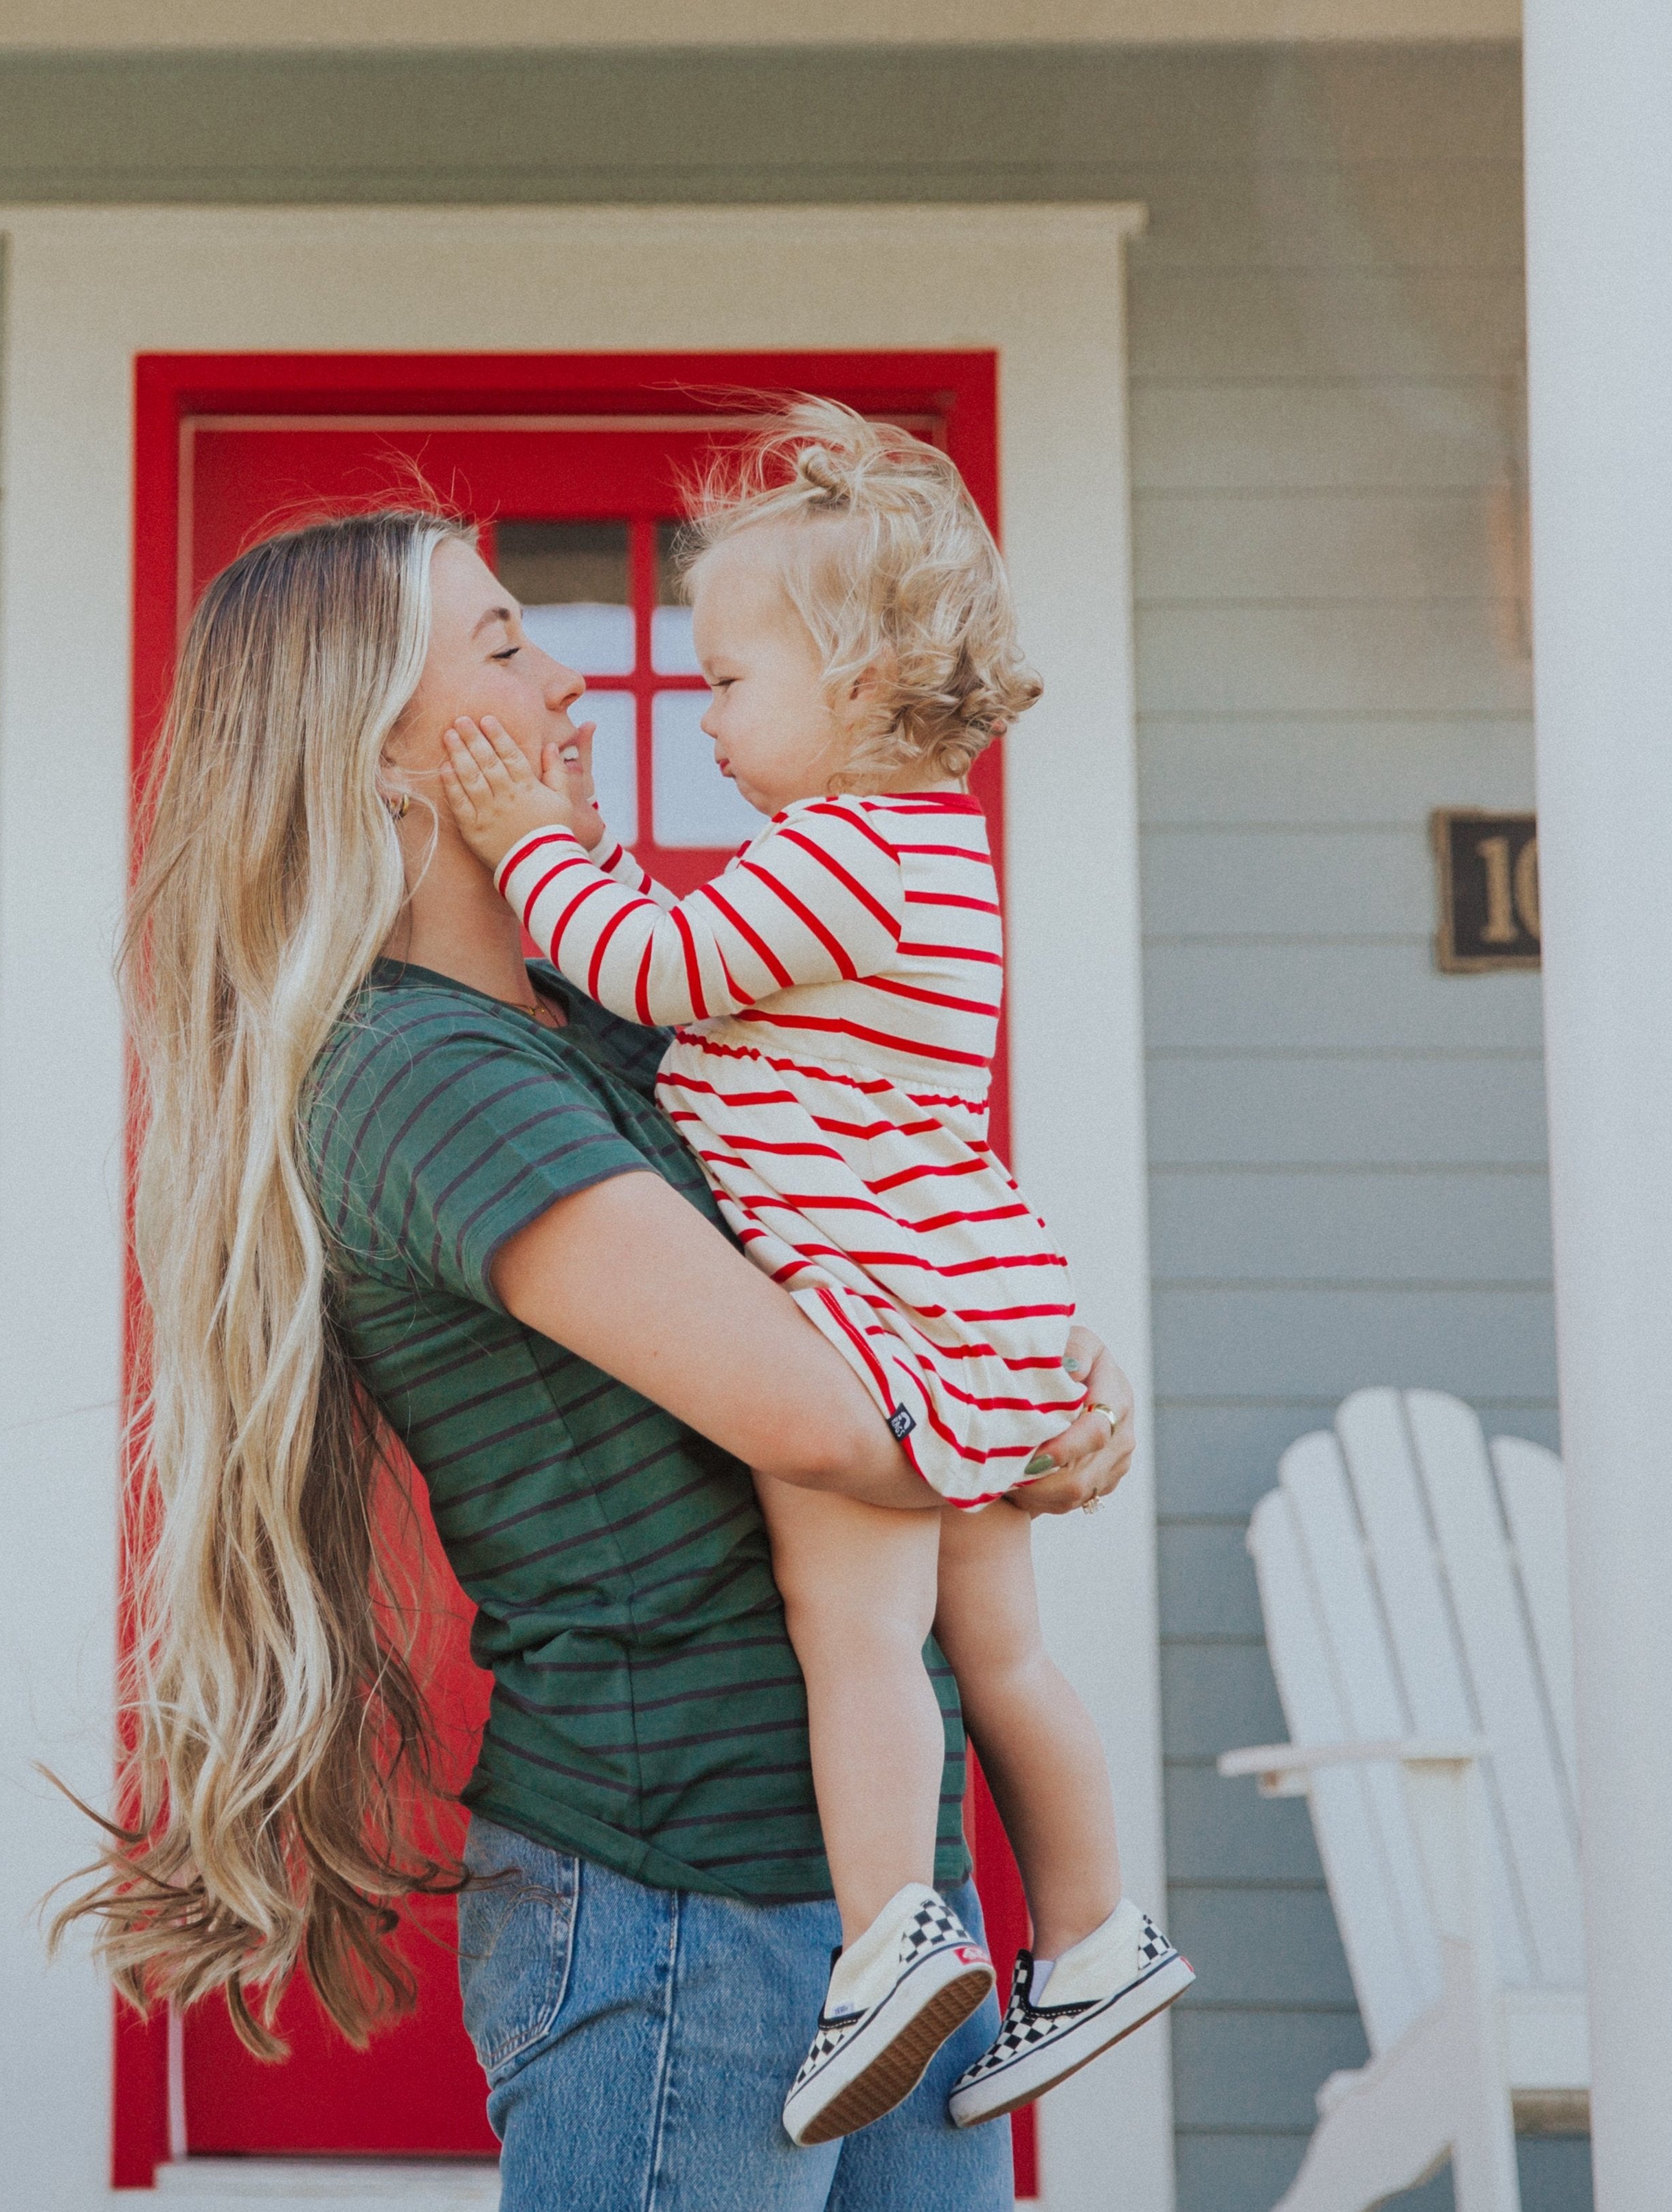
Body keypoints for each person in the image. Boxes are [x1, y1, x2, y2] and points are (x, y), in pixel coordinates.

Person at [55, 503, 1139, 2211]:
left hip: (882, 1902)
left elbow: (881, 1235)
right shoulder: (420, 1075)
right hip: (678, 1905)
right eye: (501, 647)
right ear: (381, 754)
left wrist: (1049, 1367)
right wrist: (1002, 1415)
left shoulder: (625, 1026)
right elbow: (821, 1412)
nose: (572, 682)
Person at [435, 402, 1190, 2147]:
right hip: (974, 1287)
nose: (694, 715)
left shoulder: (845, 849)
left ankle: (886, 1944)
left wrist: (524, 842)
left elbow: (657, 966)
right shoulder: (928, 849)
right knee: (993, 1650)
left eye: (720, 683)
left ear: (851, 681)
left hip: (885, 1308)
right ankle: (1083, 1934)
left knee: (853, 1636)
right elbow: (710, 972)